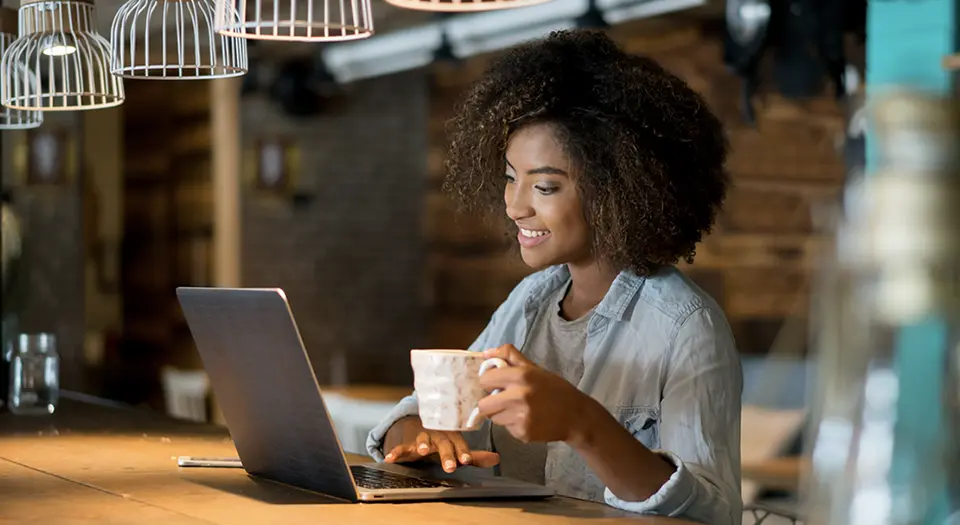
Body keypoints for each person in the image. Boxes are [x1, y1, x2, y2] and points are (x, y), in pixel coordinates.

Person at [366, 29, 742, 525]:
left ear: (619, 190)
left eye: (544, 185)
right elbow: (418, 414)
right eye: (509, 177)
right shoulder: (531, 302)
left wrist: (583, 424)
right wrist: (420, 438)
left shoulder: (685, 326)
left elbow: (713, 513)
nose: (514, 205)